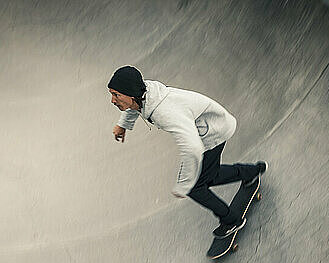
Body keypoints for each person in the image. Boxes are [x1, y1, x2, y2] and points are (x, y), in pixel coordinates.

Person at [108, 65, 267, 238]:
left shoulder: (165, 112)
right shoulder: (144, 92)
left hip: (213, 132)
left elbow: (192, 148)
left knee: (195, 187)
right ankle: (252, 171)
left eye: (116, 95)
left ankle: (231, 220)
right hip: (209, 127)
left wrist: (184, 185)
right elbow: (134, 107)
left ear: (131, 95)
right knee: (209, 176)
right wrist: (123, 125)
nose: (113, 100)